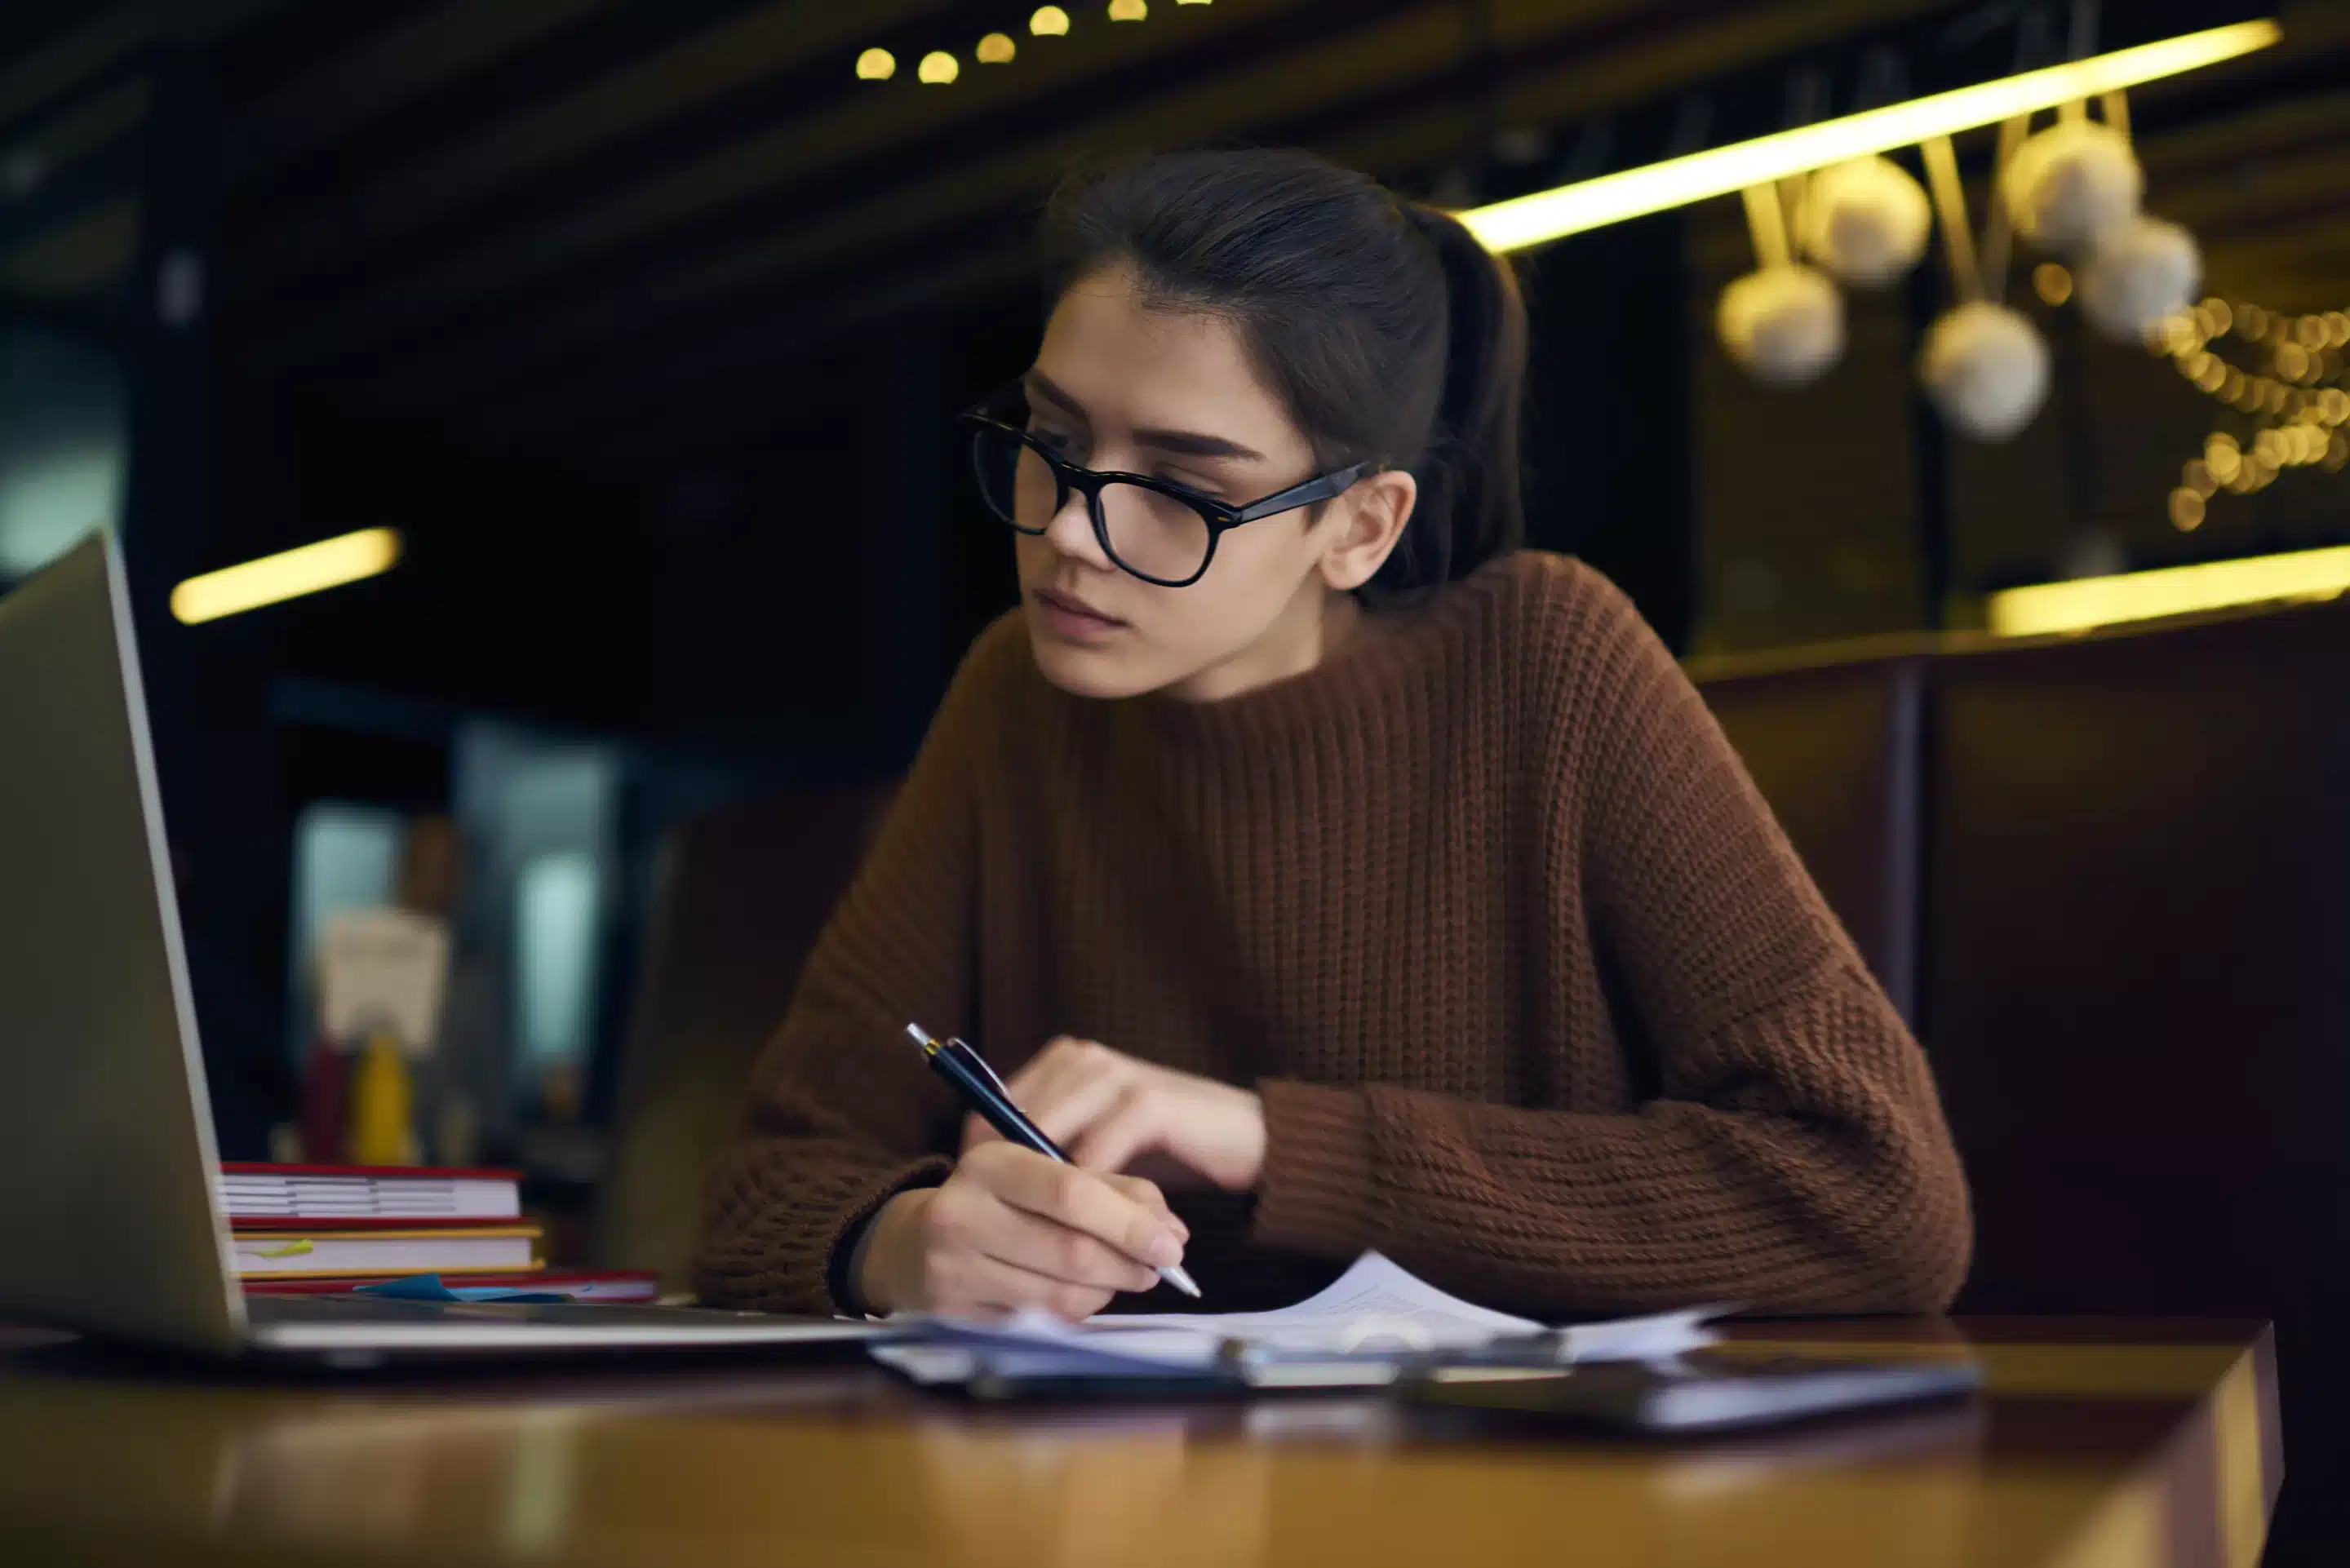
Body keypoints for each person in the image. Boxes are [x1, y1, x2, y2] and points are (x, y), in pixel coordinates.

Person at [697, 148, 1971, 1321]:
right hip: (1125, 1473)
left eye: (1183, 486)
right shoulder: (1013, 698)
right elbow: (764, 1183)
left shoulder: (1548, 659)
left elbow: (1878, 1194)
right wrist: (894, 1244)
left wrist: (1273, 1142)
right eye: (1057, 440)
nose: (1074, 533)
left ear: (1361, 526)